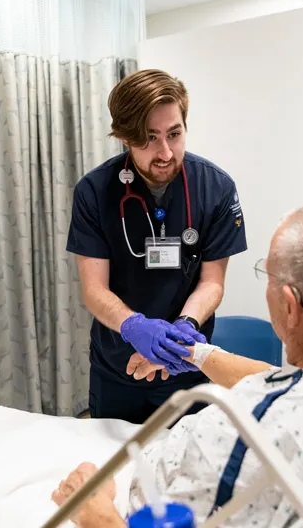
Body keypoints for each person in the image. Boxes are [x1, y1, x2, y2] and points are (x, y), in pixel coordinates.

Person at [53, 204, 303, 527]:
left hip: (121, 497)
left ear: (290, 306)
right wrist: (192, 352)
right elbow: (276, 379)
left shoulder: (265, 450)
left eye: (267, 275)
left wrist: (94, 512)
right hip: (144, 460)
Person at [66, 69, 248, 423]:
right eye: (149, 138)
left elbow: (212, 281)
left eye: (174, 134)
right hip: (119, 368)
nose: (165, 152)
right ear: (124, 137)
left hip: (187, 364)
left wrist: (185, 324)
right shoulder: (94, 191)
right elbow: (93, 289)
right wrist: (133, 326)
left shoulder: (216, 188)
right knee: (116, 467)